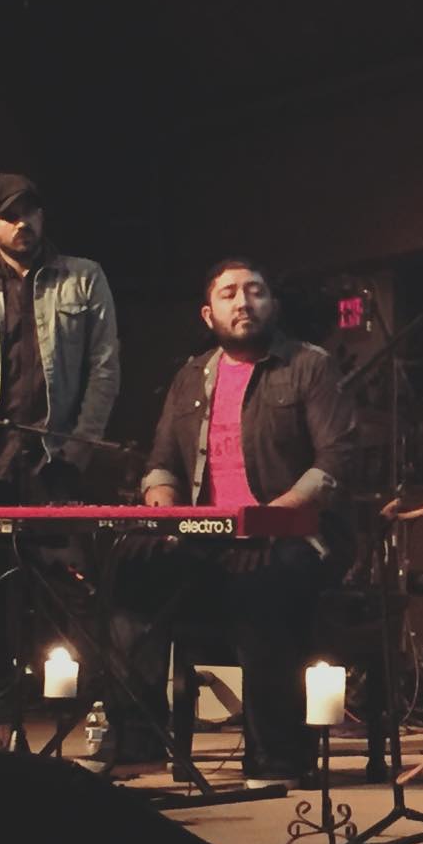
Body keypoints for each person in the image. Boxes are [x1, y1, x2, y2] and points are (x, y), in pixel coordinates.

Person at [119, 257, 356, 787]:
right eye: (228, 294)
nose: (243, 302)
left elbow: (334, 462)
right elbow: (160, 464)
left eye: (255, 291)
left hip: (300, 535)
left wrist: (269, 518)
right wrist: (163, 506)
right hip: (211, 539)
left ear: (272, 304)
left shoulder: (309, 366)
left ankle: (276, 761)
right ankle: (136, 741)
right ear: (209, 314)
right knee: (130, 577)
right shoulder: (190, 375)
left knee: (262, 587)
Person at [0, 173, 120, 742]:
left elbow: (105, 371)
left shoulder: (84, 277)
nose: (24, 221)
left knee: (76, 596)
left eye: (31, 209)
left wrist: (76, 451)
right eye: (9, 214)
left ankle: (88, 724)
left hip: (56, 464)